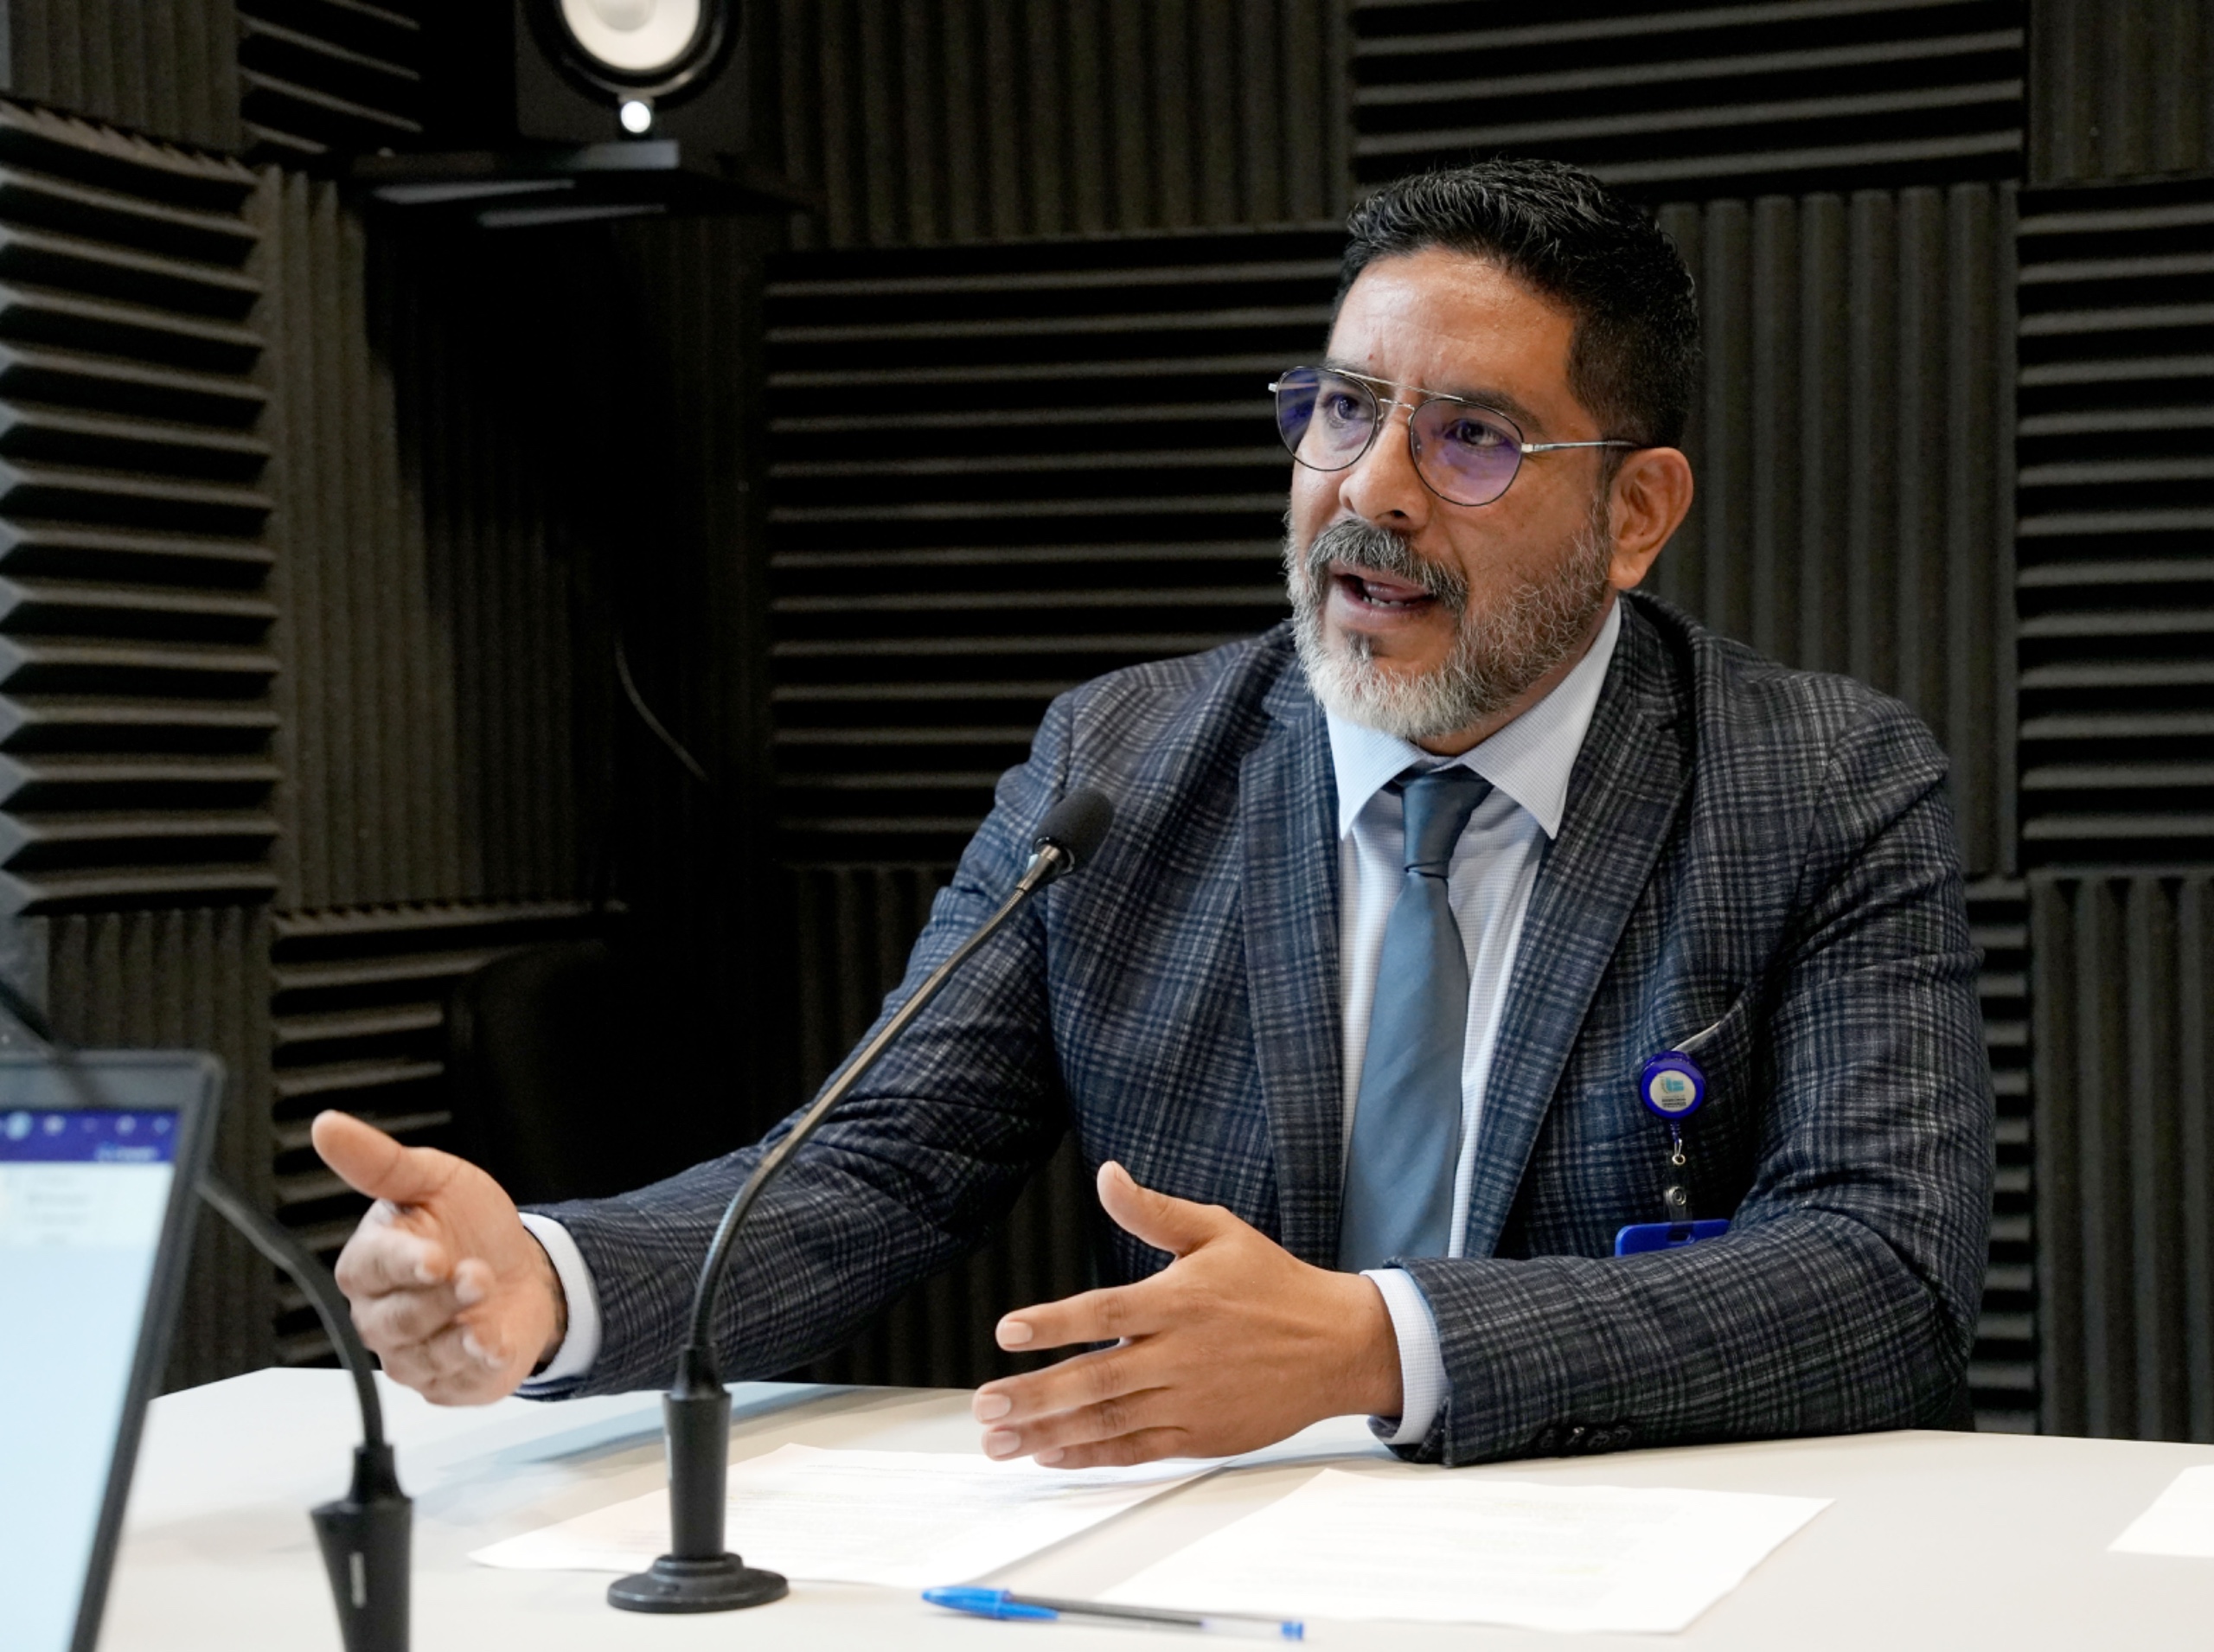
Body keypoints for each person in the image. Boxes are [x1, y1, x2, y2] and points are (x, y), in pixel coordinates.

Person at [312, 157, 1993, 1468]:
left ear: (1633, 512)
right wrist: (548, 1281)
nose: (1371, 489)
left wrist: (1376, 1343)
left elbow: (1884, 1270)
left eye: (1471, 438)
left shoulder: (1819, 783)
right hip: (1222, 1553)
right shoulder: (1120, 758)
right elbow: (876, 1164)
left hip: (1652, 1551)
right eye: (1343, 407)